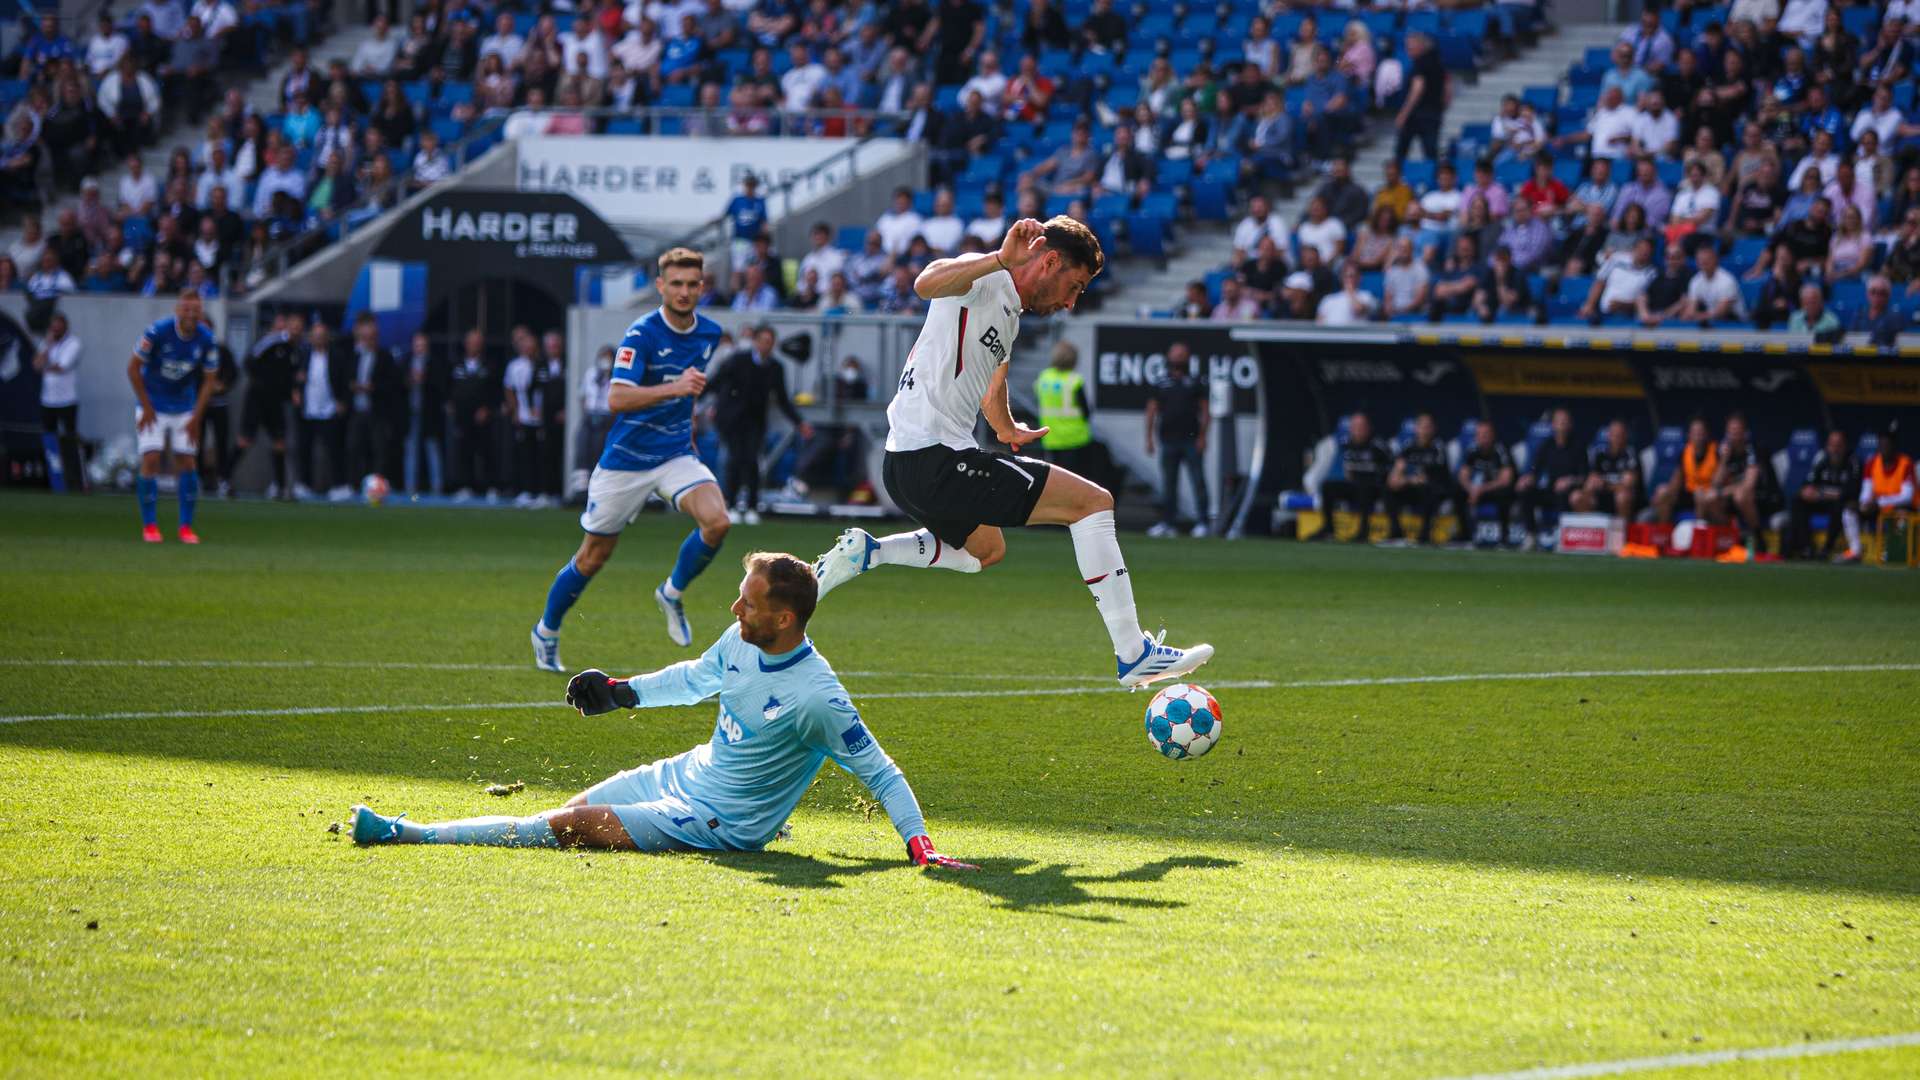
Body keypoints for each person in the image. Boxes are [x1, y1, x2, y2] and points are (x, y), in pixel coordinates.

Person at [353, 553, 975, 872]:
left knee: (572, 829)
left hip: (717, 821)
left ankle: (411, 832)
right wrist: (621, 691)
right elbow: (694, 679)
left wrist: (920, 848)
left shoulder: (818, 698)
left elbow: (881, 771)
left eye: (749, 603)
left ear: (784, 620)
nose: (734, 608)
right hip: (687, 773)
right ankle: (425, 831)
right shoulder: (742, 639)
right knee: (570, 814)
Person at [809, 217, 1211, 689]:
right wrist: (999, 257)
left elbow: (992, 385)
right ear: (1050, 260)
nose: (1070, 301)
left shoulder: (1011, 313)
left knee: (986, 550)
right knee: (1093, 503)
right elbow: (925, 283)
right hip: (936, 457)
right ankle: (1133, 652)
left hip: (908, 465)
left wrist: (1005, 427)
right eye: (1074, 286)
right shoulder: (986, 275)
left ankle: (870, 553)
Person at [533, 248, 731, 670]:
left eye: (691, 284)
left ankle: (672, 593)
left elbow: (689, 394)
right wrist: (675, 388)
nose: (683, 291)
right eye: (675, 284)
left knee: (718, 522)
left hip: (675, 454)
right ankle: (546, 630)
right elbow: (617, 397)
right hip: (625, 460)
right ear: (660, 286)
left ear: (702, 287)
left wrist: (686, 419)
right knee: (593, 557)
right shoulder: (641, 334)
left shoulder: (709, 333)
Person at [127, 292, 217, 543]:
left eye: (195, 310)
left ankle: (185, 527)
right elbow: (132, 368)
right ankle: (150, 526)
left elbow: (210, 381)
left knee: (187, 461)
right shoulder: (157, 332)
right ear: (178, 310)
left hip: (184, 406)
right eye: (186, 309)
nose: (190, 315)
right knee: (151, 458)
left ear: (200, 313)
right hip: (152, 403)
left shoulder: (207, 339)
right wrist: (146, 407)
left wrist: (196, 418)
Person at [705, 324, 812, 524]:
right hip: (732, 419)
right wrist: (697, 402)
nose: (766, 346)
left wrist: (799, 423)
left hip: (755, 420)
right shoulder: (738, 360)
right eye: (763, 341)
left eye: (769, 342)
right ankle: (731, 504)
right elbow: (716, 381)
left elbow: (782, 399)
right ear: (755, 342)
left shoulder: (775, 367)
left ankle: (752, 506)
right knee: (735, 459)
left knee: (752, 460)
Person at [1144, 342, 1210, 539]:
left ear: (1188, 358)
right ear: (1169, 357)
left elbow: (1206, 411)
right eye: (1176, 354)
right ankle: (1167, 523)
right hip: (1168, 439)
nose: (1179, 358)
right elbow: (1151, 411)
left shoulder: (1196, 382)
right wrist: (1149, 438)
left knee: (1198, 481)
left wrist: (1202, 436)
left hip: (1190, 440)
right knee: (1168, 484)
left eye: (1183, 354)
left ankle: (1203, 523)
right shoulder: (1161, 382)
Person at [236, 312, 299, 498]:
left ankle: (280, 487)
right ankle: (224, 478)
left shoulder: (294, 350)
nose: (296, 330)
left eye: (299, 327)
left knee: (280, 442)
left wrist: (291, 392)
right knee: (245, 440)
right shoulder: (271, 342)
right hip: (257, 399)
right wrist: (261, 384)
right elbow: (249, 360)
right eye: (292, 326)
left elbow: (289, 376)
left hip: (276, 403)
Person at [293, 319, 352, 501]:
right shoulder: (303, 355)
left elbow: (345, 382)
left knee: (334, 450)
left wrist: (342, 402)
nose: (318, 339)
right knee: (304, 450)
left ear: (327, 338)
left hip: (328, 410)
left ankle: (338, 486)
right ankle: (305, 484)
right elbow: (295, 378)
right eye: (315, 336)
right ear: (311, 338)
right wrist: (296, 390)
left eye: (322, 336)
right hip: (308, 410)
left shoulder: (337, 356)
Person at [1515, 407, 1586, 550]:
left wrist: (1569, 480)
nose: (1562, 425)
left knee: (1563, 493)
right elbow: (1536, 470)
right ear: (1553, 424)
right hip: (1551, 490)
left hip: (1570, 492)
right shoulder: (1547, 445)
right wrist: (1528, 479)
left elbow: (1585, 476)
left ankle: (1562, 535)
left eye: (1565, 421)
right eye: (1559, 421)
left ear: (1570, 424)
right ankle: (1531, 535)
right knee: (1526, 492)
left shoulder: (1578, 446)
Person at [1315, 411, 1393, 543]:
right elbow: (1347, 468)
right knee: (1328, 486)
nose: (1358, 430)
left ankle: (1363, 532)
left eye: (1361, 427)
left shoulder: (1378, 445)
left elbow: (1390, 466)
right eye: (1355, 427)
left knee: (1364, 488)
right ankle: (1328, 530)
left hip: (1374, 488)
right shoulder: (1347, 445)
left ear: (1368, 428)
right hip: (1354, 485)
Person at [1787, 429, 1861, 561]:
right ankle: (1807, 547)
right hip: (1822, 501)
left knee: (1841, 505)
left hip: (1840, 505)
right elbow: (1808, 483)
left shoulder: (1853, 462)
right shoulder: (1822, 459)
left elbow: (1851, 491)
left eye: (1839, 445)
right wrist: (1807, 490)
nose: (1835, 449)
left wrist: (1822, 493)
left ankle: (1827, 549)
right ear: (1827, 446)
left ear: (1845, 446)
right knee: (1798, 501)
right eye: (1832, 445)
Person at [1700, 413, 1767, 552]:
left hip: (1759, 498)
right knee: (1709, 498)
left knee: (1740, 496)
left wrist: (1721, 492)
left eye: (1737, 431)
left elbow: (1748, 485)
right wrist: (1724, 460)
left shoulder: (1752, 449)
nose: (1734, 434)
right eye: (1731, 431)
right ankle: (1729, 537)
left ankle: (1758, 536)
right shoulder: (1724, 451)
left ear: (1744, 432)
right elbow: (1715, 483)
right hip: (1732, 496)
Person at [1382, 412, 1451, 546]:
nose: (1425, 430)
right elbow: (1398, 466)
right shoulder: (1409, 447)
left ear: (1433, 429)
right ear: (1416, 429)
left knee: (1428, 489)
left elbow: (1429, 476)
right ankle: (1396, 532)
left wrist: (1407, 480)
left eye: (1428, 427)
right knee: (1388, 489)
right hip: (1413, 487)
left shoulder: (1438, 447)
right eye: (1422, 427)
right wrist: (1394, 478)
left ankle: (1424, 534)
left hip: (1435, 490)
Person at [34, 312, 83, 492]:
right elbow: (36, 364)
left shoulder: (74, 343)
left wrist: (45, 365)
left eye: (58, 326)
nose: (55, 329)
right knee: (49, 437)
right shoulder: (47, 343)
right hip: (47, 399)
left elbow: (61, 367)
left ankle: (75, 481)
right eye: (53, 326)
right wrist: (47, 346)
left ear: (65, 327)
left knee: (69, 439)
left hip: (67, 400)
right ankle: (55, 480)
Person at [1033, 339, 1094, 481]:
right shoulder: (1075, 380)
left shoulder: (1044, 378)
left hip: (1050, 438)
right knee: (1075, 480)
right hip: (1075, 439)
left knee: (1054, 480)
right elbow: (1087, 412)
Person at [447, 331, 497, 501]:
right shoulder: (457, 365)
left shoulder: (489, 365)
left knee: (486, 452)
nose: (474, 345)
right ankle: (465, 486)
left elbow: (494, 390)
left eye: (477, 342)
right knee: (464, 452)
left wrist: (487, 408)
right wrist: (451, 405)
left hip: (483, 416)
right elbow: (451, 388)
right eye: (471, 342)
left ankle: (490, 487)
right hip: (463, 416)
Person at [1855, 425, 1914, 562]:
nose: (1884, 448)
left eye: (1887, 444)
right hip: (1877, 508)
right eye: (1881, 444)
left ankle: (1895, 552)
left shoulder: (1906, 463)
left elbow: (1907, 496)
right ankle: (1856, 550)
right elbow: (1865, 491)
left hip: (1902, 507)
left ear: (1894, 446)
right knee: (1851, 509)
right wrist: (1865, 503)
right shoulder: (1872, 463)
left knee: (1901, 513)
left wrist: (1880, 502)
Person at [1456, 419, 1515, 546]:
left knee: (1504, 494)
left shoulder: (1501, 450)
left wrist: (1480, 489)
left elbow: (1506, 479)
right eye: (1479, 434)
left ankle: (1504, 537)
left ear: (1493, 435)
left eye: (1486, 434)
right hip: (1475, 491)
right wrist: (1471, 489)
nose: (1482, 438)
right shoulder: (1472, 450)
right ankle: (1465, 536)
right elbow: (1462, 476)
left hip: (1493, 490)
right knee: (1457, 492)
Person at [1653, 417, 1717, 526]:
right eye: (1695, 433)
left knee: (1699, 494)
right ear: (1689, 435)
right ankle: (1663, 532)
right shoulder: (1684, 452)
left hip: (1707, 495)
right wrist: (1665, 492)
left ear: (1706, 435)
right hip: (1687, 494)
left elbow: (1718, 482)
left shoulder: (1716, 452)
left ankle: (1699, 532)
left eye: (1700, 433)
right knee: (1662, 491)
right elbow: (1677, 478)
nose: (1698, 437)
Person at [1394, 32, 1447, 162]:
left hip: (1417, 114)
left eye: (1410, 47)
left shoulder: (1420, 63)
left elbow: (1417, 88)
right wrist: (1441, 107)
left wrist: (1404, 113)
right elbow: (1447, 87)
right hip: (1433, 112)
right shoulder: (1437, 61)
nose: (1408, 50)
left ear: (1420, 45)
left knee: (1401, 150)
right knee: (1430, 151)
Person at [1571, 419, 1641, 517]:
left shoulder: (1630, 454)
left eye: (1619, 434)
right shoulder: (1600, 455)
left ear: (1625, 436)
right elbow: (1591, 481)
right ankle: (1589, 529)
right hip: (1602, 497)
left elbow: (1627, 485)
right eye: (1613, 434)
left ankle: (1621, 531)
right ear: (1608, 435)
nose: (1616, 437)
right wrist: (1590, 487)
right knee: (1576, 496)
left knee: (1622, 496)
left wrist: (1605, 485)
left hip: (1627, 501)